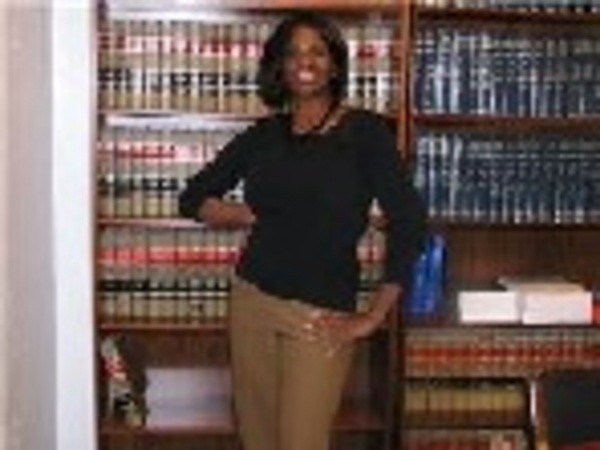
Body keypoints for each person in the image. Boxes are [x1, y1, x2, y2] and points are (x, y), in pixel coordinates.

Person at [178, 10, 427, 450]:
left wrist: (373, 316)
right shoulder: (263, 135)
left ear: (334, 65)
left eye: (317, 51)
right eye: (293, 53)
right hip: (252, 303)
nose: (304, 61)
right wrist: (248, 215)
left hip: (320, 315)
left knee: (301, 442)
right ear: (280, 65)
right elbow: (193, 198)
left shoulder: (365, 133)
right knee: (258, 440)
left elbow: (409, 222)